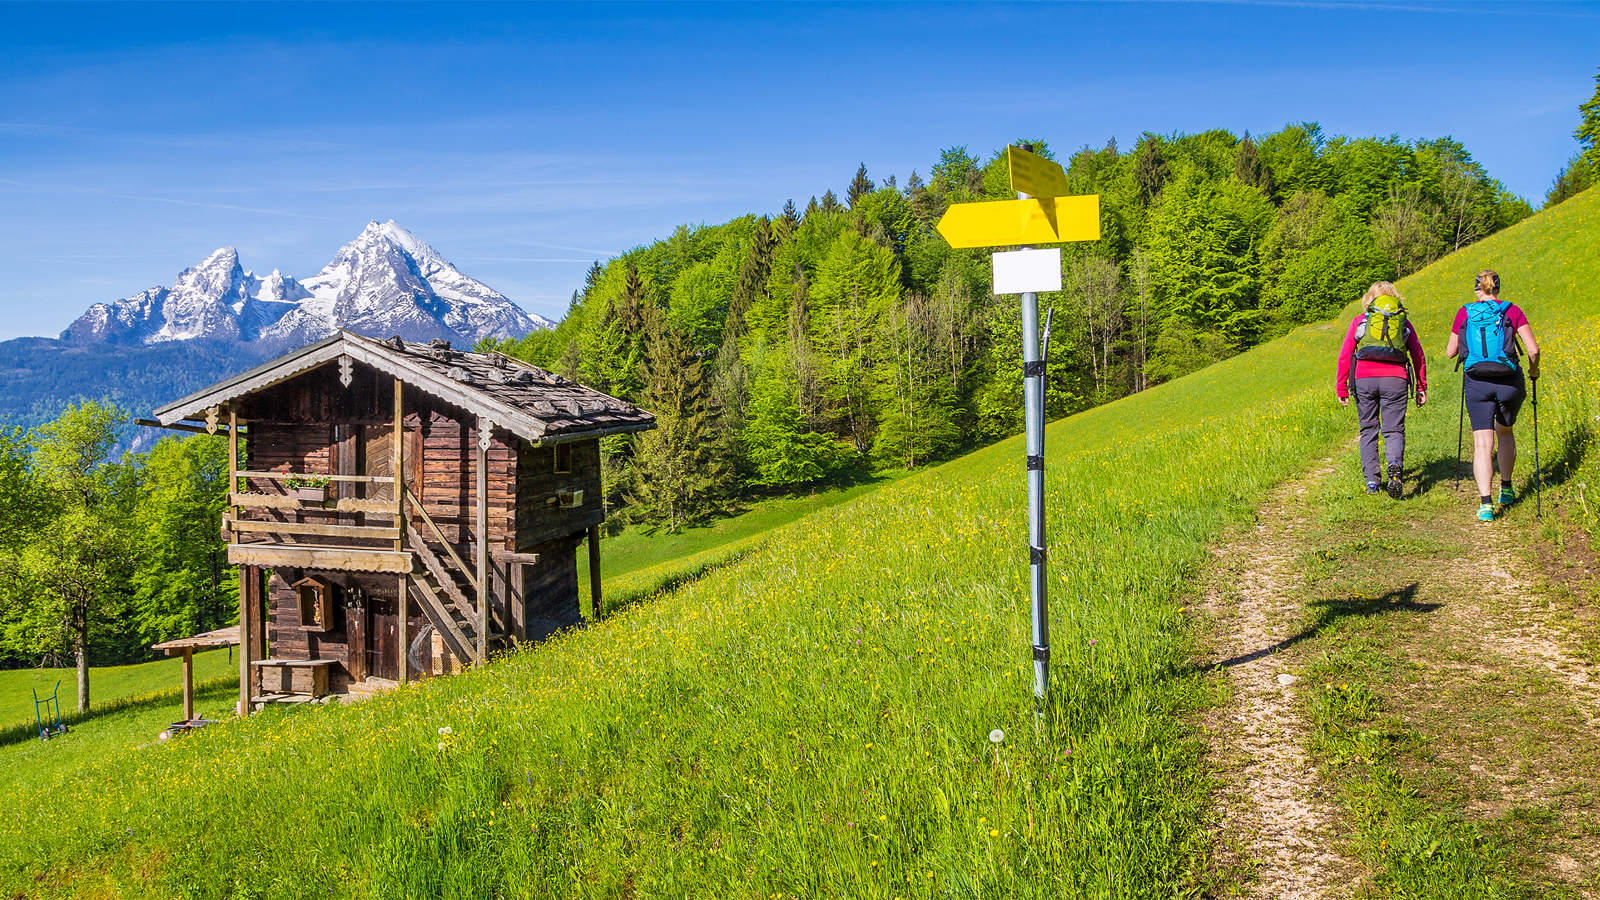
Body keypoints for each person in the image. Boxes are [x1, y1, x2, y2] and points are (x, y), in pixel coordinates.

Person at [1446, 269, 1540, 522]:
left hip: (1477, 381)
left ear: (1477, 289)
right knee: (1505, 433)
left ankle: (1486, 504)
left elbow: (1450, 352)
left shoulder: (1465, 311)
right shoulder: (1512, 309)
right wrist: (1534, 369)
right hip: (1509, 380)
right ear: (1497, 288)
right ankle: (1506, 488)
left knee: (1482, 444)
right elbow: (1533, 349)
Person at [1336, 281, 1428, 498]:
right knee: (1394, 429)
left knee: (1368, 429)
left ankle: (1372, 482)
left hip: (1364, 379)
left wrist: (1342, 388)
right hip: (1395, 380)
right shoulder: (1403, 323)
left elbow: (1345, 355)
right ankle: (1394, 464)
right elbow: (1418, 355)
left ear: (1369, 300)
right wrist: (1421, 387)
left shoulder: (1360, 321)